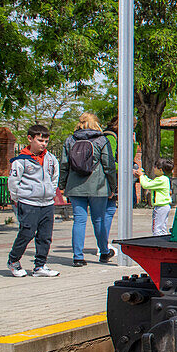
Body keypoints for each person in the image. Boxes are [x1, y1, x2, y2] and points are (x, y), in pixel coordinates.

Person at [59, 112, 117, 266]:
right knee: (99, 219)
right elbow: (109, 166)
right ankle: (104, 252)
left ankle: (78, 256)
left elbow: (64, 165)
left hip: (75, 186)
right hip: (98, 186)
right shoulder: (102, 140)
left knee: (79, 220)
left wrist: (63, 185)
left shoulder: (70, 140)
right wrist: (112, 187)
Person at [6, 124, 60, 277]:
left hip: (47, 203)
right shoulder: (21, 160)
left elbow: (54, 177)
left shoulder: (50, 158)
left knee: (45, 236)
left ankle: (40, 265)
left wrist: (50, 191)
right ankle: (13, 260)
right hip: (29, 202)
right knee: (27, 233)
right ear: (30, 139)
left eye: (46, 141)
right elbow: (14, 181)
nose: (43, 144)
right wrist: (18, 197)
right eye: (40, 140)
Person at [135, 160, 173, 235]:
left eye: (155, 167)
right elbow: (150, 182)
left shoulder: (162, 180)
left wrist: (141, 176)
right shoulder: (163, 179)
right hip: (163, 207)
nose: (154, 169)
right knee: (162, 228)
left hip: (161, 207)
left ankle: (158, 244)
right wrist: (142, 176)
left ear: (160, 170)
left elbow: (146, 185)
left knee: (157, 229)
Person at [99, 118, 119, 263]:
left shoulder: (108, 135)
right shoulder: (111, 137)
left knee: (107, 211)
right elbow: (110, 160)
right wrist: (125, 168)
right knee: (108, 210)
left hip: (108, 178)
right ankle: (102, 244)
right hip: (109, 179)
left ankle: (102, 243)